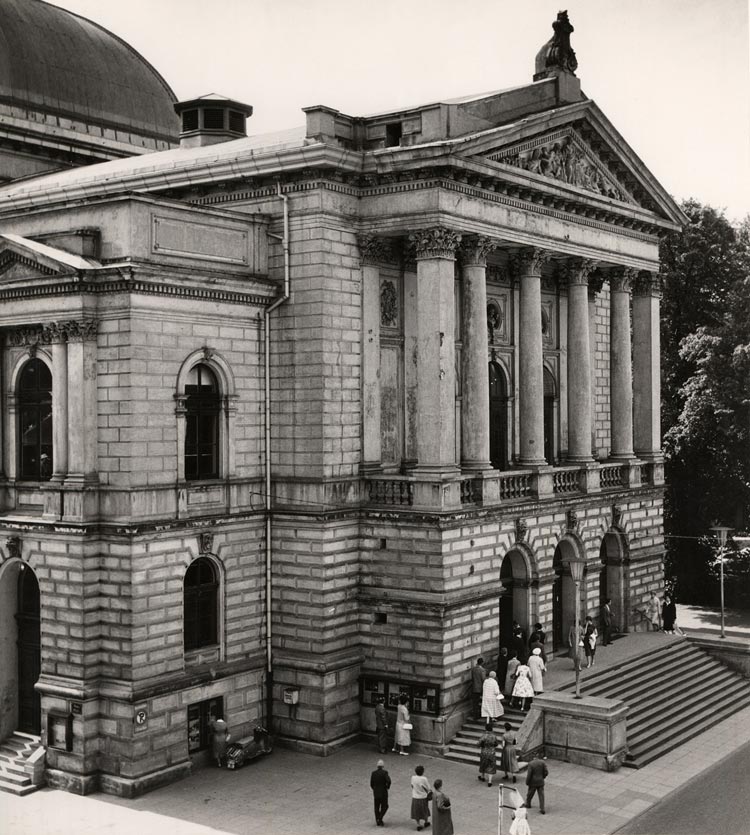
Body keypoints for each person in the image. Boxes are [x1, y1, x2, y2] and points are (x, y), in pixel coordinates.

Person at [370, 759, 391, 827]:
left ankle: (377, 820)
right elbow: (389, 781)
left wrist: (374, 789)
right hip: (383, 792)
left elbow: (371, 784)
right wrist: (387, 787)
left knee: (376, 807)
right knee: (385, 806)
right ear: (383, 766)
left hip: (376, 792)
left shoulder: (373, 773)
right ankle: (380, 818)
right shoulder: (385, 773)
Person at [410, 764, 431, 831]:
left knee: (416, 811)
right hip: (423, 797)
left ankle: (418, 824)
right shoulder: (424, 779)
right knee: (425, 810)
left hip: (415, 797)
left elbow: (412, 785)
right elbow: (428, 788)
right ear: (422, 772)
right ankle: (426, 822)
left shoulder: (413, 777)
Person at [477, 720, 498, 787]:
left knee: (483, 763)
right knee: (491, 766)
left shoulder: (484, 736)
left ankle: (482, 776)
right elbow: (496, 744)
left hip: (484, 752)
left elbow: (478, 743)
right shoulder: (494, 736)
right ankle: (490, 781)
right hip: (492, 752)